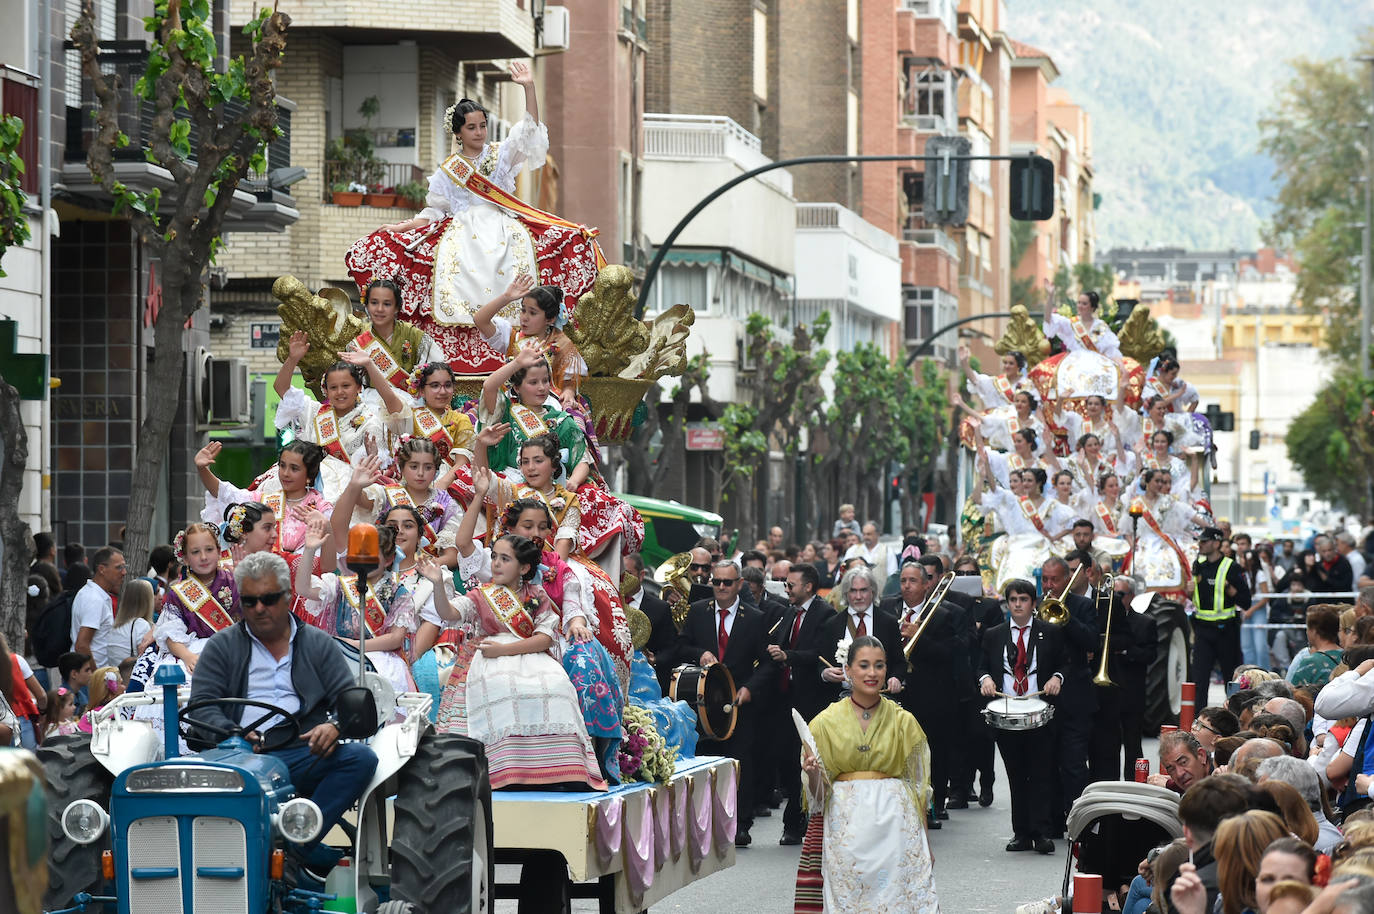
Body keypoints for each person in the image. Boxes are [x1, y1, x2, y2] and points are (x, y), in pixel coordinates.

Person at [349, 64, 605, 374]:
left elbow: (528, 131)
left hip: (504, 225)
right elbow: (434, 213)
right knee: (427, 261)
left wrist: (528, 88)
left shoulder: (500, 154)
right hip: (461, 230)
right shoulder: (447, 171)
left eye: (483, 126)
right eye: (472, 127)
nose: (480, 132)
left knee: (565, 240)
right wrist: (401, 227)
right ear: (458, 133)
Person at [189, 551, 379, 881]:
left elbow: (350, 703)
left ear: (288, 596)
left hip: (302, 752)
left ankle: (297, 842)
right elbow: (201, 706)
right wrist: (231, 732)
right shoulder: (221, 646)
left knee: (360, 758)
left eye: (269, 599)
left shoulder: (319, 644)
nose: (259, 608)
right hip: (238, 755)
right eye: (250, 601)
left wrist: (334, 727)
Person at [433, 531, 608, 791]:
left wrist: (504, 651)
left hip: (528, 654)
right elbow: (448, 612)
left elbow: (545, 639)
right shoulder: (481, 595)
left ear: (524, 567)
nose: (496, 564)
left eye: (505, 559)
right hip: (486, 658)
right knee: (503, 686)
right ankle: (503, 768)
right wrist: (437, 583)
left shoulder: (536, 594)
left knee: (557, 687)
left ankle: (558, 768)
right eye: (494, 557)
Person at [797, 635, 939, 914]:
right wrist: (813, 775)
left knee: (898, 900)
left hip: (896, 827)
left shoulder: (904, 722)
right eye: (863, 665)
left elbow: (918, 789)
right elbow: (818, 798)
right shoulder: (824, 723)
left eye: (879, 666)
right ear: (848, 670)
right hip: (846, 829)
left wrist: (924, 844)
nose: (872, 673)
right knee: (851, 901)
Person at [671, 559, 776, 847]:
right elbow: (680, 646)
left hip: (738, 701)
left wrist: (749, 689)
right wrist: (700, 653)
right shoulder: (697, 612)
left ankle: (741, 824)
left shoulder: (754, 618)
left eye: (726, 583)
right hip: (703, 702)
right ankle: (703, 824)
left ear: (739, 585)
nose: (720, 587)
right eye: (716, 582)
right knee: (705, 762)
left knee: (740, 761)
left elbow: (767, 664)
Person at [977, 578, 1064, 854]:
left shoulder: (1049, 632)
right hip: (1006, 711)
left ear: (1033, 603)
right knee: (1016, 773)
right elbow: (979, 665)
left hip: (1038, 710)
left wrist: (1057, 678)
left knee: (1040, 772)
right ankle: (1021, 833)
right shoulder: (994, 634)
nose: (1018, 605)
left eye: (1023, 599)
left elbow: (1066, 664)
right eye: (1013, 600)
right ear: (1007, 603)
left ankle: (1041, 832)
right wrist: (985, 679)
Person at [892, 560, 966, 827]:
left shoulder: (943, 613)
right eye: (903, 581)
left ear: (926, 584)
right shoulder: (889, 608)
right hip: (897, 689)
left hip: (932, 692)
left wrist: (919, 637)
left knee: (933, 748)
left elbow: (950, 655)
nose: (907, 586)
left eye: (913, 581)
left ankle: (934, 804)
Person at [768, 562, 832, 846]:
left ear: (808, 586)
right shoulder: (788, 611)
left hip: (812, 699)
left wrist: (788, 656)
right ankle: (795, 816)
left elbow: (820, 654)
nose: (786, 589)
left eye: (791, 585)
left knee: (809, 761)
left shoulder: (826, 613)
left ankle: (798, 821)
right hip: (784, 697)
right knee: (785, 758)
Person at [1041, 555, 1099, 825]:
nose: (1050, 585)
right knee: (1048, 763)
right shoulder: (1036, 606)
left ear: (1067, 579)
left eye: (1055, 579)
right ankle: (1051, 821)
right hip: (1046, 697)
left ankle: (1077, 821)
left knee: (1074, 764)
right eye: (1045, 579)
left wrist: (1066, 619)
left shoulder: (1084, 605)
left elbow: (1091, 641)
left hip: (1076, 697)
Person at [473, 275, 587, 410]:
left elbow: (570, 378)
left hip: (548, 403)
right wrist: (506, 297)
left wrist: (569, 392)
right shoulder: (511, 337)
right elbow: (480, 320)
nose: (524, 318)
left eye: (532, 313)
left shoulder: (561, 343)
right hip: (511, 403)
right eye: (523, 310)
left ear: (550, 319)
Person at [343, 276, 445, 391]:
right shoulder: (358, 341)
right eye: (374, 303)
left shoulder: (414, 335)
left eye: (387, 304)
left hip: (410, 401)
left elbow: (437, 370)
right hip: (371, 402)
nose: (380, 309)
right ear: (366, 306)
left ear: (396, 307)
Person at [384, 362, 476, 481]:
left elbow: (462, 463)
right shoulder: (412, 416)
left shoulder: (461, 420)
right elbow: (389, 398)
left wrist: (441, 487)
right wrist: (369, 365)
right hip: (414, 481)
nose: (442, 391)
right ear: (422, 391)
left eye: (447, 385)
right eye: (435, 385)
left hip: (448, 484)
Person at [1191, 527, 1251, 704]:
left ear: (1216, 543)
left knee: (1230, 679)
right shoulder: (1198, 566)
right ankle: (1198, 721)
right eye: (1199, 541)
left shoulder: (1231, 567)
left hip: (1226, 631)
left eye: (1204, 541)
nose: (1200, 545)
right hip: (1202, 630)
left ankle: (1234, 717)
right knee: (1199, 680)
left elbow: (1246, 601)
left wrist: (1232, 591)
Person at [71, 546, 128, 668]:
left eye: (124, 567)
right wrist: (96, 677)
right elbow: (81, 645)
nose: (124, 572)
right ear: (101, 569)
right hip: (92, 677)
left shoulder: (96, 594)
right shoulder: (94, 599)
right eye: (119, 567)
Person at [1289, 604, 1344, 688]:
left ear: (1314, 631)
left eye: (1308, 628)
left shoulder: (1310, 662)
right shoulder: (1348, 656)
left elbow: (1295, 694)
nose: (1307, 632)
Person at [1146, 731, 1212, 793]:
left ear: (1201, 755)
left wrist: (1169, 784)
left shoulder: (1220, 781)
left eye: (1183, 762)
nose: (1179, 774)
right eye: (1171, 769)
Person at [108, 579, 155, 667]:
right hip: (130, 676)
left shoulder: (114, 626)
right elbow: (145, 660)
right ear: (147, 600)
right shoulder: (141, 625)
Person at [1241, 547, 1274, 670]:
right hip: (1245, 607)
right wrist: (1244, 609)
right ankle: (1248, 672)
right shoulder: (1242, 574)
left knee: (1260, 644)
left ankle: (1264, 671)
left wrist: (1251, 610)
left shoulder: (1260, 574)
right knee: (1246, 645)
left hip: (1258, 608)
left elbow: (1266, 597)